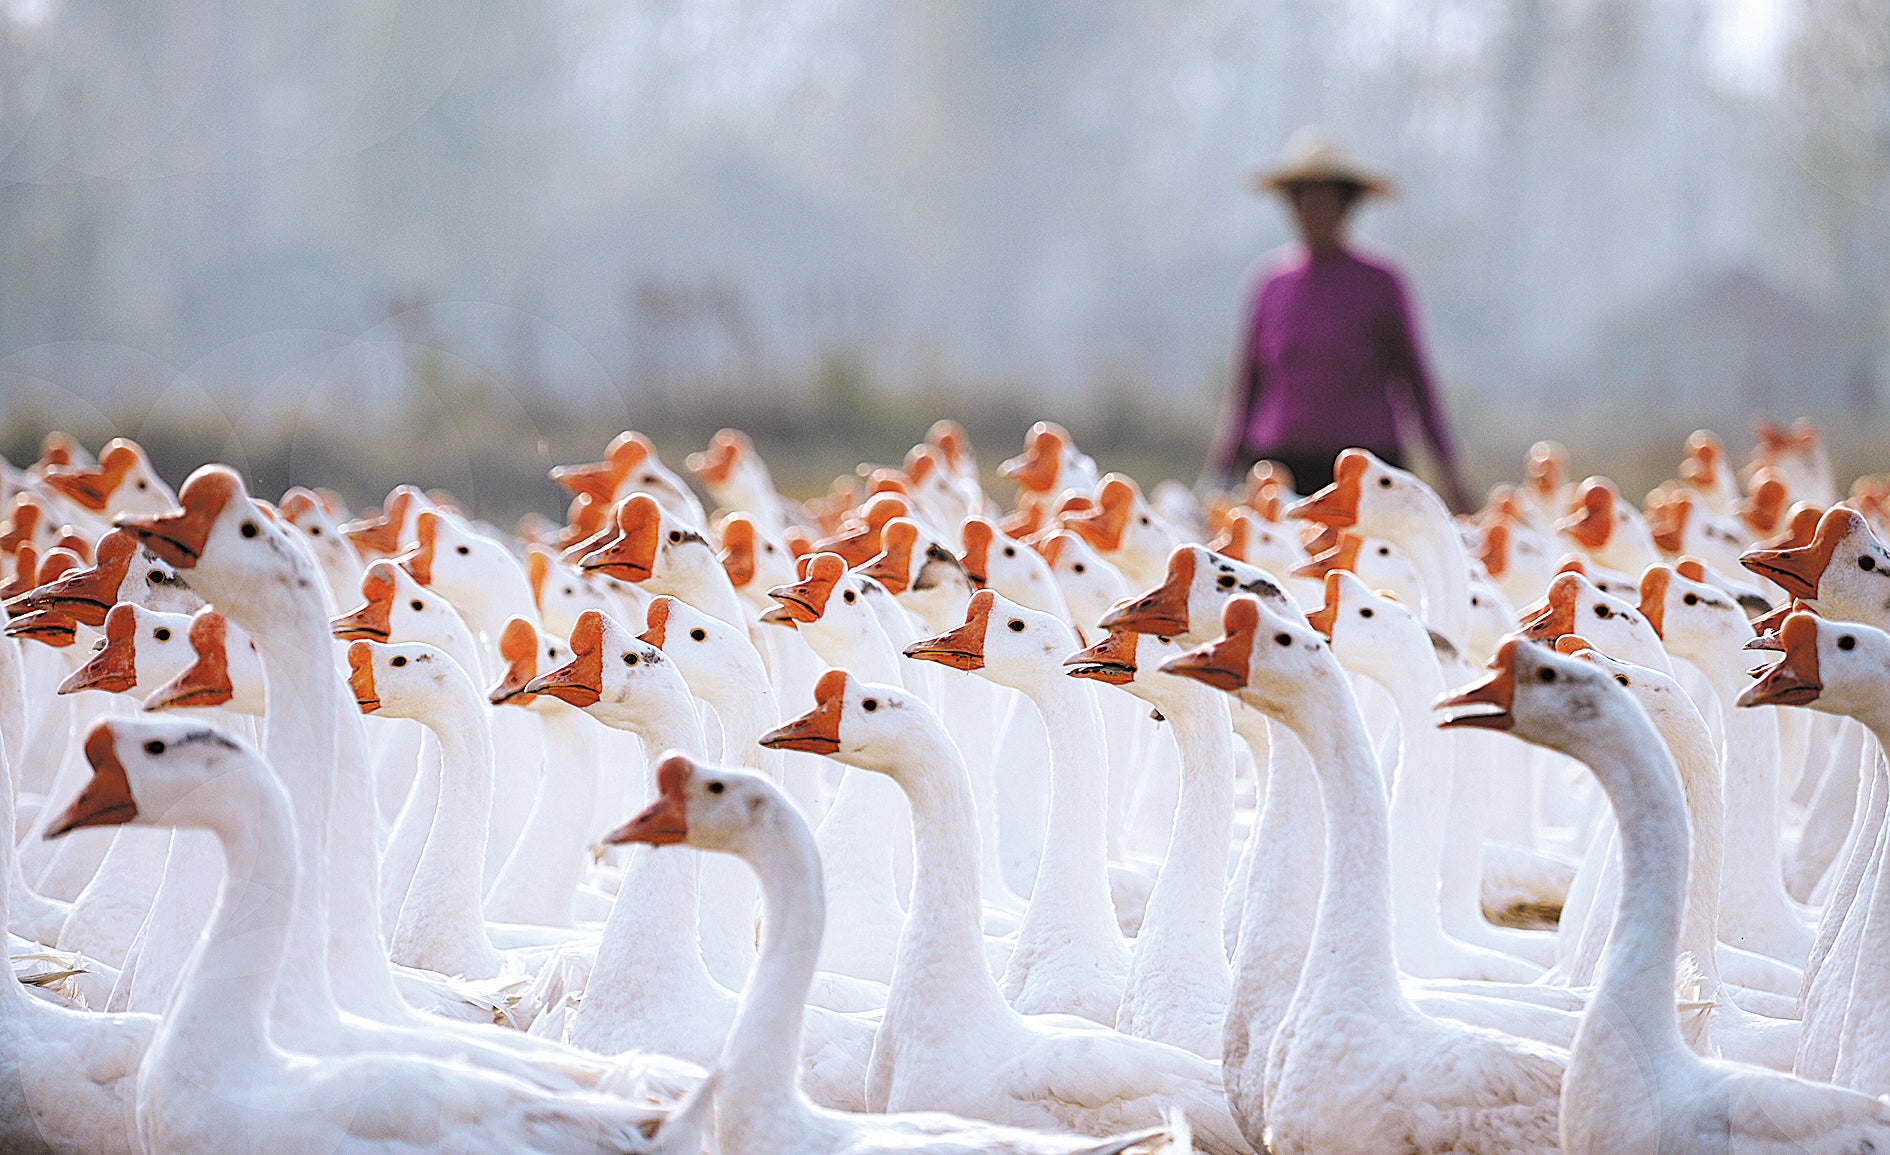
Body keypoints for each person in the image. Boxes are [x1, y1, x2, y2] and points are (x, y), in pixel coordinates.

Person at [1210, 129, 1469, 509]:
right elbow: (1248, 384)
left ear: (1347, 207)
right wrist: (1220, 473)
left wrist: (1449, 473)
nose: (1314, 214)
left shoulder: (1381, 282)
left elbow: (1415, 378)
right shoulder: (1270, 284)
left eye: (1325, 203)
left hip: (1364, 467)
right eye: (1304, 202)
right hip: (1281, 466)